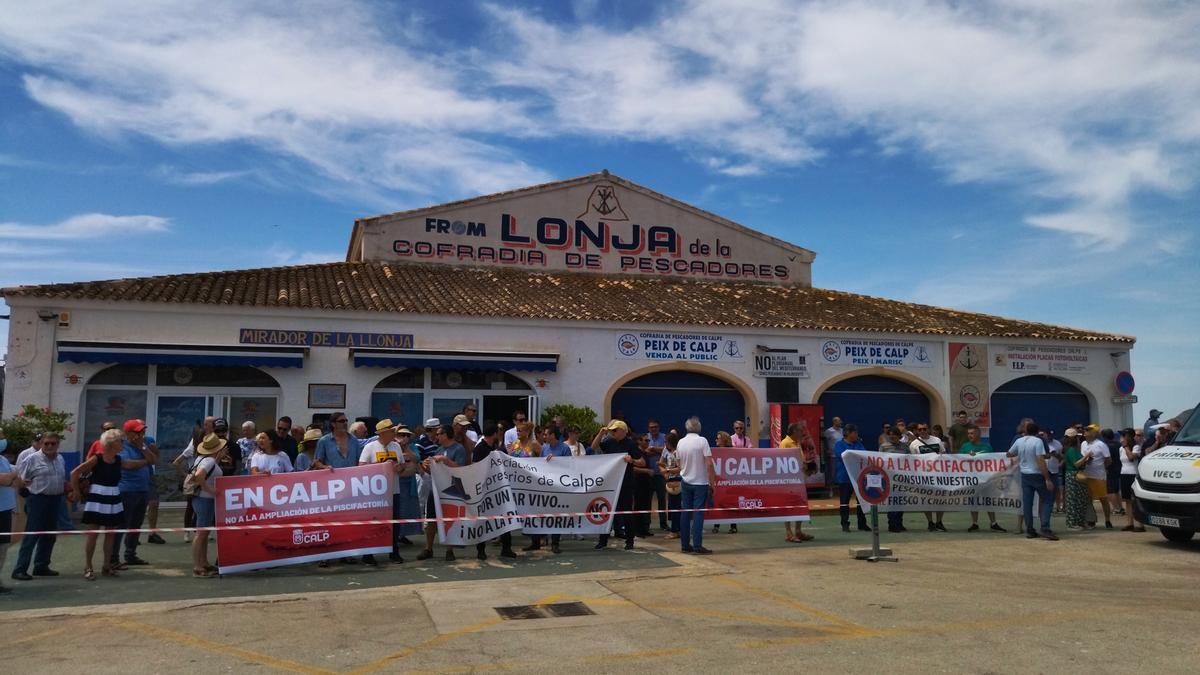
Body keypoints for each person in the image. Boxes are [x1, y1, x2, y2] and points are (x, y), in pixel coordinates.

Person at [70, 428, 126, 580]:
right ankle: (88, 566)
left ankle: (107, 566)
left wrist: (147, 458)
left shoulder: (119, 460)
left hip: (113, 495)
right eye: (121, 441)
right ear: (112, 443)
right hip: (98, 496)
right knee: (93, 534)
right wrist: (76, 491)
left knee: (110, 534)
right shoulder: (97, 459)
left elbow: (133, 464)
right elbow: (75, 473)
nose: (123, 443)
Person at [11, 432, 67, 581]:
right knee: (32, 534)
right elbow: (20, 480)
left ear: (58, 444)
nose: (49, 446)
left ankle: (41, 566)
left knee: (49, 535)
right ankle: (20, 569)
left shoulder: (60, 458)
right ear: (41, 443)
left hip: (55, 500)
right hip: (37, 499)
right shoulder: (31, 459)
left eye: (53, 443)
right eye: (46, 443)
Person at [359, 419, 416, 565]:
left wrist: (400, 468)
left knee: (394, 523)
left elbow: (402, 465)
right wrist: (380, 467)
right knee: (372, 523)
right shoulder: (370, 447)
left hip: (393, 491)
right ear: (383, 433)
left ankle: (394, 551)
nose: (394, 434)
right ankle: (368, 554)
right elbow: (361, 467)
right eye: (392, 431)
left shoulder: (396, 446)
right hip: (375, 494)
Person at [111, 419, 157, 568]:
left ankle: (130, 554)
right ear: (129, 433)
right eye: (138, 432)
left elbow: (153, 459)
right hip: (126, 491)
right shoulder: (122, 447)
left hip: (142, 490)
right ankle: (113, 558)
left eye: (142, 432)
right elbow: (127, 464)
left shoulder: (142, 445)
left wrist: (142, 448)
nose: (141, 435)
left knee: (136, 524)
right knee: (122, 525)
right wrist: (145, 461)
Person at [591, 420, 644, 550]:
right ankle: (603, 541)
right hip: (610, 484)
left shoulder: (631, 444)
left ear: (623, 431)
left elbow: (642, 462)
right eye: (612, 430)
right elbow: (593, 447)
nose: (613, 432)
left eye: (615, 430)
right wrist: (601, 433)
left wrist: (632, 460)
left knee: (627, 513)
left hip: (626, 483)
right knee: (606, 512)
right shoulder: (609, 442)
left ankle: (629, 541)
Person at [417, 424, 467, 562]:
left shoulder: (459, 449)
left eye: (439, 434)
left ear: (446, 434)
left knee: (449, 519)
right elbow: (433, 471)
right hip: (436, 488)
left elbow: (460, 468)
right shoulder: (439, 449)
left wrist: (445, 460)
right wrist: (426, 466)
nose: (436, 436)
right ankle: (428, 548)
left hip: (451, 490)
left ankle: (449, 550)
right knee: (432, 519)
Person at [472, 422, 517, 559]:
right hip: (485, 489)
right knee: (483, 519)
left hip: (498, 488)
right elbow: (475, 467)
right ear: (494, 434)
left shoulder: (496, 448)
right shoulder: (480, 448)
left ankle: (506, 548)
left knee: (503, 516)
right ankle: (481, 550)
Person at [1007, 422, 1058, 540]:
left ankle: (1029, 529)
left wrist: (1021, 454)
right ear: (1037, 431)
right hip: (1037, 474)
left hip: (1025, 474)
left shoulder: (1019, 441)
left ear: (1025, 431)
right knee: (1047, 500)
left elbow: (1009, 453)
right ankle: (1045, 528)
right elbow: (1040, 459)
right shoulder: (1037, 441)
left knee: (1028, 503)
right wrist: (1047, 478)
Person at [528, 426, 573, 554]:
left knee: (556, 515)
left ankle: (555, 543)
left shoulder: (564, 448)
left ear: (553, 435)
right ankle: (535, 542)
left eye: (546, 434)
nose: (544, 436)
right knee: (538, 513)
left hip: (558, 486)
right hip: (545, 485)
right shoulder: (545, 448)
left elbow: (570, 466)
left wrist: (556, 462)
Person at [677, 417, 715, 555]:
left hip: (685, 480)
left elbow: (678, 464)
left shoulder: (680, 442)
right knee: (698, 513)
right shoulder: (702, 441)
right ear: (699, 427)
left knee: (685, 512)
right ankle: (697, 545)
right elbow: (709, 463)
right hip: (700, 482)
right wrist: (712, 481)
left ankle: (685, 545)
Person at [188, 434, 225, 577]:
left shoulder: (203, 459)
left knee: (203, 532)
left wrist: (217, 460)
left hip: (201, 499)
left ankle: (203, 562)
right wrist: (211, 490)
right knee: (201, 533)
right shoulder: (208, 461)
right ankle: (198, 566)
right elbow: (199, 476)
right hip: (205, 499)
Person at [960, 425, 1006, 532]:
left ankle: (993, 523)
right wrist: (967, 456)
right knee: (973, 501)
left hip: (986, 479)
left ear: (978, 434)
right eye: (968, 433)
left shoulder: (987, 447)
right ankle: (975, 523)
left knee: (988, 500)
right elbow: (959, 461)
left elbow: (993, 461)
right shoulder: (965, 447)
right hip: (972, 479)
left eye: (972, 433)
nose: (970, 435)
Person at [779, 422, 815, 542]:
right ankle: (789, 533)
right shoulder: (785, 443)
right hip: (789, 480)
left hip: (799, 479)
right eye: (800, 430)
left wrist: (806, 466)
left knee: (800, 504)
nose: (802, 432)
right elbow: (782, 461)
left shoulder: (797, 442)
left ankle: (798, 531)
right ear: (794, 431)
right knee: (788, 506)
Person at [909, 423, 947, 531]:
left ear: (928, 429)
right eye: (920, 429)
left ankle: (939, 522)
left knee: (941, 499)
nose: (922, 431)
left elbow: (944, 455)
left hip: (939, 475)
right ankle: (930, 522)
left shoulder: (937, 440)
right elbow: (913, 461)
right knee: (926, 500)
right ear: (917, 431)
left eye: (924, 429)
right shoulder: (913, 444)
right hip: (924, 476)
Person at [835, 424, 870, 533]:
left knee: (861, 501)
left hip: (858, 477)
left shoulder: (858, 444)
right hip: (844, 477)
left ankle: (862, 524)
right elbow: (843, 456)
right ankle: (845, 524)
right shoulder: (839, 444)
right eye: (855, 432)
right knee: (844, 502)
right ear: (848, 433)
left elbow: (863, 455)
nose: (857, 435)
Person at [1080, 424, 1113, 528]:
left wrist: (1101, 468)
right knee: (1088, 499)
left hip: (1098, 476)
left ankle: (1107, 520)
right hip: (1086, 475)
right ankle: (1091, 520)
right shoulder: (1083, 444)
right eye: (1085, 429)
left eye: (1088, 430)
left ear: (1094, 433)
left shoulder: (1101, 445)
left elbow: (1108, 460)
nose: (1085, 431)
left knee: (1103, 499)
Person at [879, 427, 908, 533]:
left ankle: (899, 523)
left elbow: (910, 460)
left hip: (902, 478)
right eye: (890, 435)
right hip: (889, 479)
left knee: (901, 501)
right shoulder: (884, 446)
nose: (892, 436)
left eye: (894, 435)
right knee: (892, 502)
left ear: (898, 436)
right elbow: (879, 460)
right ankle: (892, 524)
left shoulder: (905, 446)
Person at [642, 421, 669, 533]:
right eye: (651, 427)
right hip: (648, 474)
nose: (654, 429)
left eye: (656, 427)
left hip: (661, 474)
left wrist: (653, 449)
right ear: (648, 428)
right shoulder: (645, 437)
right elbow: (643, 451)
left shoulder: (664, 437)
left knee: (662, 500)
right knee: (647, 500)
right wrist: (656, 450)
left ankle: (663, 523)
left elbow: (666, 449)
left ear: (659, 427)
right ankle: (646, 524)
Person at [1062, 428, 1090, 530]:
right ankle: (1072, 523)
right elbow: (1076, 464)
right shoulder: (1071, 450)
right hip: (1074, 475)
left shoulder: (1071, 449)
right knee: (1073, 500)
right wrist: (1087, 456)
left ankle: (1079, 521)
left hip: (1076, 475)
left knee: (1080, 499)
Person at [1117, 429, 1145, 532]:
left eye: (1124, 436)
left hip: (1133, 474)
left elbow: (1131, 458)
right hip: (1124, 473)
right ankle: (1129, 523)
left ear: (1129, 436)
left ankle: (1140, 524)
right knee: (1127, 500)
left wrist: (1126, 446)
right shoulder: (1121, 448)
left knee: (1134, 499)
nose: (1122, 438)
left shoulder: (1136, 446)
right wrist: (1123, 447)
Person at [659, 433, 682, 540]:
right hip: (670, 480)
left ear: (670, 443)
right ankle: (676, 529)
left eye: (666, 442)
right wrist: (665, 474)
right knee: (673, 506)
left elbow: (680, 468)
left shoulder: (677, 453)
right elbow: (661, 463)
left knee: (676, 507)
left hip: (678, 481)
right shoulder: (667, 452)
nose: (664, 444)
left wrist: (667, 470)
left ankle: (675, 530)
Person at [0, 446, 16, 594]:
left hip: (5, 509)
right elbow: (4, 480)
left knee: (3, 547)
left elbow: (16, 475)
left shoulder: (3, 459)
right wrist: (10, 477)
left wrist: (10, 477)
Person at [1044, 428, 1064, 513]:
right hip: (1043, 469)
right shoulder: (1040, 443)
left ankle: (1058, 506)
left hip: (1054, 469)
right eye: (1047, 435)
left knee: (1056, 489)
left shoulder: (1058, 444)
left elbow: (1062, 457)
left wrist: (1056, 456)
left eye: (1050, 435)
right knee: (1044, 489)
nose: (1049, 437)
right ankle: (1046, 506)